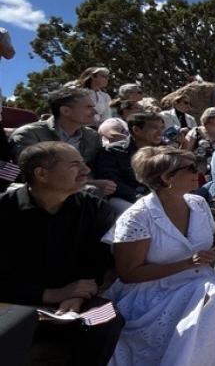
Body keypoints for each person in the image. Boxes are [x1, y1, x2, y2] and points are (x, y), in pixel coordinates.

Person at [0, 142, 124, 366]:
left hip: (73, 302)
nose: (86, 170)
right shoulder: (4, 211)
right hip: (15, 302)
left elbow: (99, 262)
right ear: (41, 174)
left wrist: (76, 295)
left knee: (107, 316)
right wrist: (49, 294)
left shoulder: (95, 209)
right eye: (75, 165)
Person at [105, 147, 215, 366]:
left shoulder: (199, 204)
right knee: (211, 293)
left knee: (211, 292)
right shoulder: (137, 217)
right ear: (166, 177)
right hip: (151, 293)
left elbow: (209, 243)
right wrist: (187, 263)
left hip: (198, 283)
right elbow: (128, 274)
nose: (198, 170)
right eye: (191, 167)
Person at [94, 111, 165, 214]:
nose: (160, 132)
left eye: (162, 128)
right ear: (136, 130)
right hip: (126, 199)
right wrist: (141, 198)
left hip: (159, 198)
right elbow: (113, 182)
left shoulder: (166, 151)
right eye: (154, 128)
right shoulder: (112, 151)